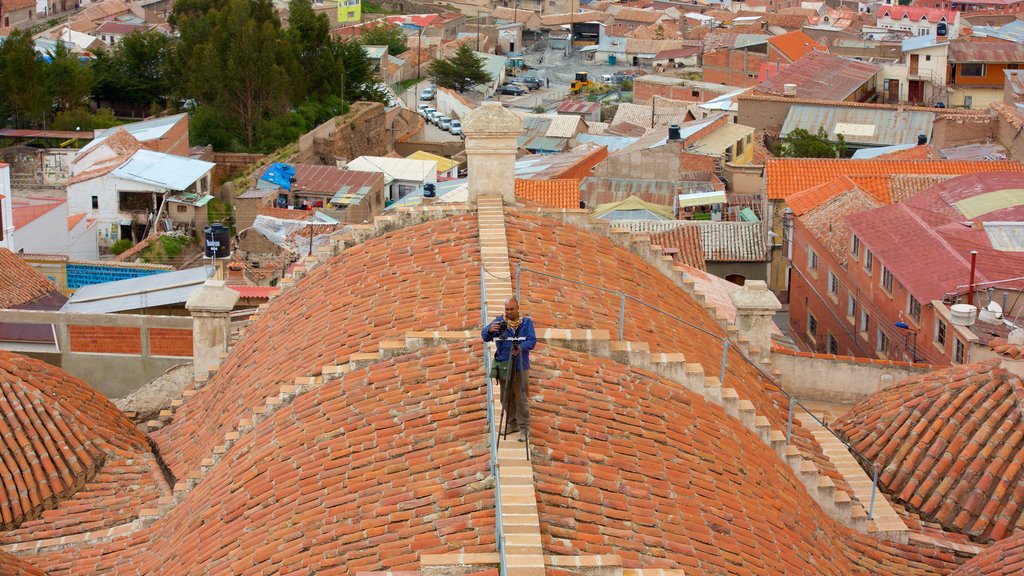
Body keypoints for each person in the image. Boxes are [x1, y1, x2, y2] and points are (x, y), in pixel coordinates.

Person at [481, 297, 536, 440]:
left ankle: (524, 428)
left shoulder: (526, 323)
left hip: (520, 365)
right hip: (504, 364)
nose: (509, 312)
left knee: (521, 397)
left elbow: (532, 341)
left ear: (518, 308)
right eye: (507, 309)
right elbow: (485, 336)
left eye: (512, 309)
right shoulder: (499, 322)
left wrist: (521, 347)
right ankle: (512, 424)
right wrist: (489, 330)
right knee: (505, 397)